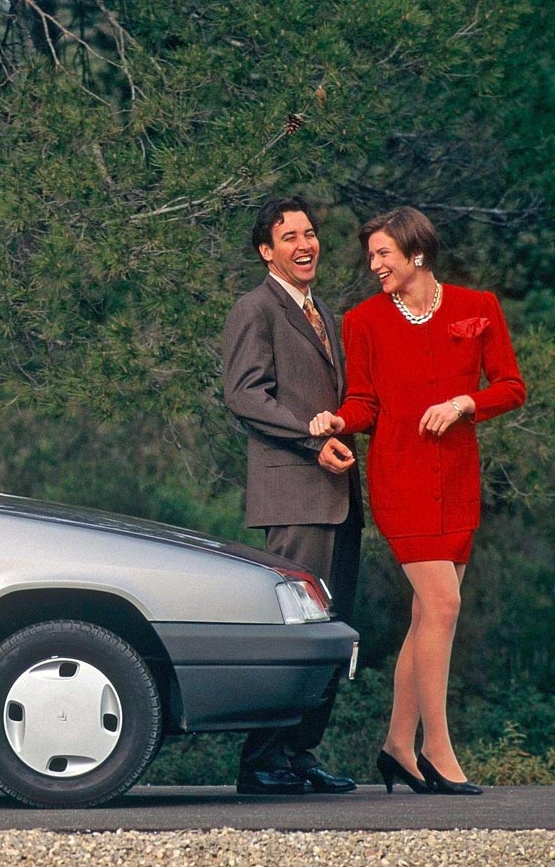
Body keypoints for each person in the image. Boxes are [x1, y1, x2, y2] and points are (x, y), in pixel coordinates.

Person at [309, 206, 525, 796]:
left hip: (457, 480)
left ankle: (397, 746)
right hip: (400, 478)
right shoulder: (364, 320)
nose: (374, 264)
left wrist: (464, 403)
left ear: (418, 254)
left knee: (430, 614)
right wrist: (338, 420)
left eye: (384, 253)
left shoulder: (477, 307)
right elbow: (365, 403)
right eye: (372, 254)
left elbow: (511, 386)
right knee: (444, 605)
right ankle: (437, 747)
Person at [222, 195, 362, 796]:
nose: (306, 245)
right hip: (295, 500)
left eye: (310, 234)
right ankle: (262, 763)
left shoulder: (322, 313)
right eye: (290, 238)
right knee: (298, 635)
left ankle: (299, 754)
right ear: (266, 250)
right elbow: (245, 395)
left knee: (331, 632)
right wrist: (309, 435)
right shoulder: (255, 309)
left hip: (339, 494)